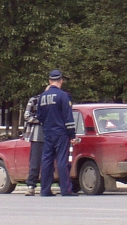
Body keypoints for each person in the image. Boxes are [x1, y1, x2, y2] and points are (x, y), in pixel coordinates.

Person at [37, 69, 77, 197]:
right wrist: (72, 134)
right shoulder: (63, 96)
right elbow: (68, 117)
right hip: (61, 133)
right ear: (61, 81)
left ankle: (45, 190)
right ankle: (66, 190)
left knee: (47, 161)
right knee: (62, 161)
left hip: (48, 133)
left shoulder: (42, 96)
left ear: (49, 81)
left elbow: (39, 116)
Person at [24, 86, 50, 196]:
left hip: (50, 136)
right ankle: (31, 186)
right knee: (35, 163)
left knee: (48, 163)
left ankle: (46, 186)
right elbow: (27, 115)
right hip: (36, 135)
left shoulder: (53, 102)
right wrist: (40, 121)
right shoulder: (34, 100)